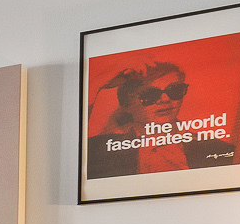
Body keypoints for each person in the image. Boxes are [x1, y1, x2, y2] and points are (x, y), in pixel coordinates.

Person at [87, 59, 232, 177]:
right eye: (150, 94)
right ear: (126, 104)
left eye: (174, 90)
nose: (165, 99)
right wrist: (97, 84)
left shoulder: (218, 149)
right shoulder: (98, 150)